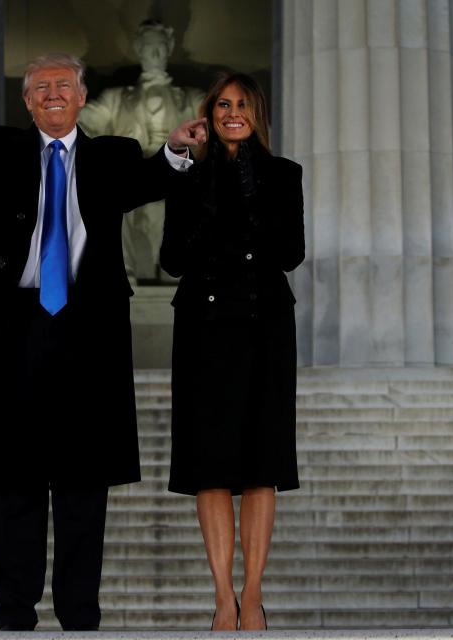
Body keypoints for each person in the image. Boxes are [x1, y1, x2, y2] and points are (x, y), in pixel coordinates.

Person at [0, 53, 206, 631]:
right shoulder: (0, 148)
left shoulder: (113, 155)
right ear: (27, 101)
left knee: (85, 482)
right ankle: (14, 614)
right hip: (11, 328)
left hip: (90, 331)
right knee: (14, 480)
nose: (52, 94)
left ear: (82, 98)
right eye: (40, 88)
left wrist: (178, 148)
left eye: (63, 85)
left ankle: (80, 615)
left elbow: (151, 179)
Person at [159, 72, 305, 631]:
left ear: (257, 113)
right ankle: (222, 596)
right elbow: (172, 258)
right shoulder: (188, 177)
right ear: (209, 113)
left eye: (242, 104)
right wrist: (209, 187)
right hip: (203, 325)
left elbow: (290, 252)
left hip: (265, 323)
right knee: (211, 467)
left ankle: (253, 594)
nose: (232, 112)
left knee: (262, 466)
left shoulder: (283, 175)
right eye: (223, 104)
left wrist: (249, 195)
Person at [78, 20, 205, 282]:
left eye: (160, 47)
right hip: (130, 176)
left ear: (169, 48)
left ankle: (176, 267)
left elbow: (220, 118)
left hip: (177, 174)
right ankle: (122, 269)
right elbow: (79, 123)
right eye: (149, 47)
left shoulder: (191, 98)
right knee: (110, 196)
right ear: (138, 49)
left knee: (184, 196)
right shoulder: (115, 98)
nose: (155, 54)